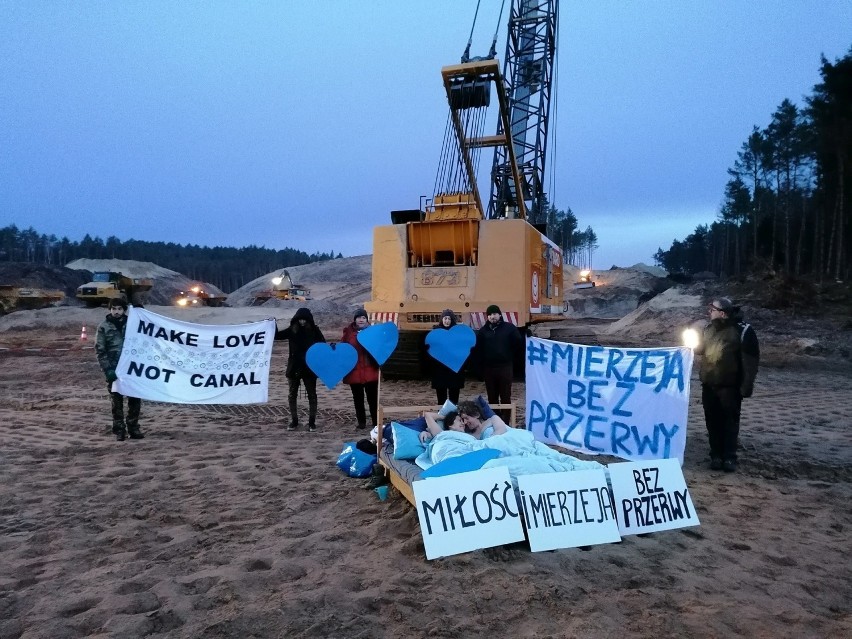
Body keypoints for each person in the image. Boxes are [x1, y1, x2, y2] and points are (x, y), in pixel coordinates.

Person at [697, 297, 760, 473]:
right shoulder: (708, 329)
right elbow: (701, 349)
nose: (709, 312)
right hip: (709, 385)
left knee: (729, 423)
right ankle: (715, 456)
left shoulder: (743, 331)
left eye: (712, 309)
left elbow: (750, 360)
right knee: (712, 422)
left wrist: (747, 386)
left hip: (730, 387)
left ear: (722, 313)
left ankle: (729, 457)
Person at [95, 298, 144, 441]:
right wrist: (108, 370)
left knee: (134, 399)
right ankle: (119, 429)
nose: (116, 312)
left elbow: (147, 331)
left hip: (132, 369)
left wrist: (141, 312)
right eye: (114, 309)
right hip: (114, 369)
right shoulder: (104, 327)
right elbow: (100, 350)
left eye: (119, 309)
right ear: (110, 309)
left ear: (124, 310)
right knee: (116, 401)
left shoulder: (132, 324)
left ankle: (133, 427)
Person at [275, 307, 325, 432]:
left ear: (309, 320)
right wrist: (273, 324)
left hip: (309, 369)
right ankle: (294, 421)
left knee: (312, 395)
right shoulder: (292, 330)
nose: (302, 322)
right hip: (294, 368)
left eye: (304, 320)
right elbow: (277, 336)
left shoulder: (314, 331)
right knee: (292, 396)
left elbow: (323, 345)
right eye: (300, 320)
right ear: (296, 320)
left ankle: (312, 423)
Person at [475, 304, 523, 421]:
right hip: (489, 368)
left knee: (505, 395)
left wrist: (528, 335)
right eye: (490, 314)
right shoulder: (482, 332)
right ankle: (495, 419)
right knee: (492, 396)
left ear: (500, 314)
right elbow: (478, 351)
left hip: (504, 367)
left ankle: (506, 420)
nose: (492, 316)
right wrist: (479, 369)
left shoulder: (509, 328)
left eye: (495, 314)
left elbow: (518, 342)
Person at [342, 308, 380, 430]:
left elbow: (379, 348)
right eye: (359, 317)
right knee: (358, 399)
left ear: (367, 320)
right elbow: (343, 348)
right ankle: (361, 422)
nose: (361, 320)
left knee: (373, 399)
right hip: (354, 372)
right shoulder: (348, 333)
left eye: (363, 318)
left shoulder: (372, 332)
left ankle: (376, 422)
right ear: (355, 319)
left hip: (370, 371)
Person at [426, 309, 466, 405]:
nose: (447, 321)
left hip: (454, 370)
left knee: (454, 399)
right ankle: (441, 418)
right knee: (441, 399)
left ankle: (453, 417)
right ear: (442, 319)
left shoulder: (457, 333)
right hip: (440, 370)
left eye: (449, 318)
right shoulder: (435, 332)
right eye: (445, 318)